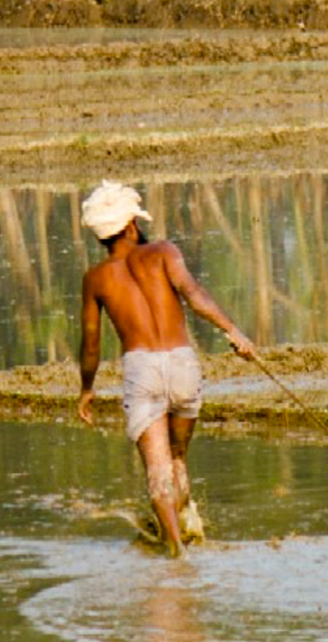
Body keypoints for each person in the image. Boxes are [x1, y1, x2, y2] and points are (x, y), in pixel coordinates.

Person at [76, 179, 256, 556]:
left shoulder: (96, 279)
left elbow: (91, 344)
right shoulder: (163, 252)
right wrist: (234, 332)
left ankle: (177, 550)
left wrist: (87, 389)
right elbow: (195, 296)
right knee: (177, 457)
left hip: (141, 370)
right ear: (130, 226)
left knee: (157, 472)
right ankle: (188, 520)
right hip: (182, 363)